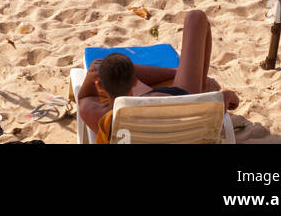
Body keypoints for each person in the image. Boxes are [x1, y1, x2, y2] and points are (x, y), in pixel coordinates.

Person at [77, 10, 239, 142]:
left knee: (110, 66)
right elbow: (226, 101)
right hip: (181, 111)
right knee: (195, 17)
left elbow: (83, 99)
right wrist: (228, 96)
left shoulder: (106, 122)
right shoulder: (205, 106)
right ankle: (181, 74)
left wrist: (90, 80)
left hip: (136, 118)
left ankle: (178, 73)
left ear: (100, 87)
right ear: (134, 82)